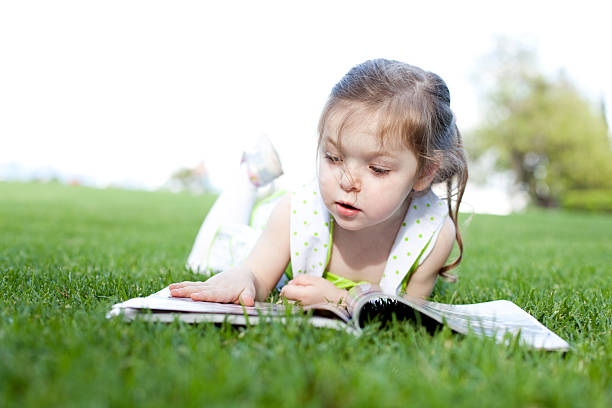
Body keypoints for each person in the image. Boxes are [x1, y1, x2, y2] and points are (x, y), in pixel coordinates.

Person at [170, 59, 468, 307]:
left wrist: (341, 299)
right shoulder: (295, 211)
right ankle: (248, 178)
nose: (346, 182)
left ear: (424, 173)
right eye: (334, 157)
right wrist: (243, 278)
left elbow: (406, 316)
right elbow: (256, 275)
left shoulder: (432, 235)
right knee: (209, 255)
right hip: (259, 238)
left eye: (377, 169)